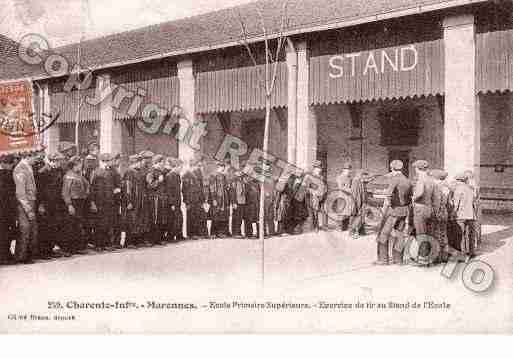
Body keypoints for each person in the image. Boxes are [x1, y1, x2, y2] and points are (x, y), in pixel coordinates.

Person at [376, 160, 413, 265]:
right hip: (404, 211)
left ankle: (383, 259)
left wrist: (383, 210)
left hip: (393, 211)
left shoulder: (394, 179)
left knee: (384, 233)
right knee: (400, 234)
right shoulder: (407, 180)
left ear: (392, 168)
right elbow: (411, 197)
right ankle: (398, 260)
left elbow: (388, 196)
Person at [37, 152, 66, 259]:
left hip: (55, 203)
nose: (60, 163)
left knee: (53, 227)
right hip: (46, 203)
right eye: (58, 161)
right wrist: (41, 205)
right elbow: (39, 191)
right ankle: (43, 251)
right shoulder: (43, 172)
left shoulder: (58, 171)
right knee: (45, 227)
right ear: (53, 160)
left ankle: (50, 249)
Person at [90, 153, 121, 251]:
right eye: (106, 161)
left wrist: (117, 189)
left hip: (110, 201)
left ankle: (107, 243)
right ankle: (99, 244)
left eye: (108, 161)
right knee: (99, 224)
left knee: (108, 223)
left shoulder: (113, 172)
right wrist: (92, 202)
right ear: (102, 162)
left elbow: (118, 184)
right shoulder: (96, 172)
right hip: (99, 202)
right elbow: (92, 188)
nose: (108, 163)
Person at [13, 153, 40, 263]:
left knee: (31, 229)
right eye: (35, 156)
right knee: (25, 229)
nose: (37, 159)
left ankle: (28, 255)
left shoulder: (28, 167)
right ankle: (21, 256)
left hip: (31, 201)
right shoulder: (20, 169)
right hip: (24, 203)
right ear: (28, 156)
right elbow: (20, 193)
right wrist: (28, 209)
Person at [62, 156, 90, 255]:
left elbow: (87, 184)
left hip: (80, 202)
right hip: (73, 202)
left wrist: (86, 193)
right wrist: (69, 204)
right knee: (70, 226)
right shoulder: (68, 176)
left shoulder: (78, 175)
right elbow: (65, 192)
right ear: (74, 165)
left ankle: (77, 247)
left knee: (77, 225)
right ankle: (67, 249)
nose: (80, 166)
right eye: (79, 165)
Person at [121, 154, 144, 248]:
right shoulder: (129, 172)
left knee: (136, 221)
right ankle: (129, 242)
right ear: (134, 162)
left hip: (137, 200)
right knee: (131, 220)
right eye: (139, 162)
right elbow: (128, 188)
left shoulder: (137, 172)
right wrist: (129, 201)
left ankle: (135, 241)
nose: (140, 164)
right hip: (132, 200)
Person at [453, 172, 477, 258]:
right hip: (471, 215)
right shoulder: (471, 189)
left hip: (461, 215)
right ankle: (471, 252)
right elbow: (474, 201)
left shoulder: (458, 189)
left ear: (459, 181)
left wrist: (453, 213)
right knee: (470, 235)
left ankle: (462, 253)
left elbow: (456, 204)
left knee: (460, 234)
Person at [146, 155, 168, 245]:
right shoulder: (151, 172)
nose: (163, 164)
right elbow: (150, 185)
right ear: (157, 162)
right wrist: (158, 181)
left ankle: (159, 238)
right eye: (162, 162)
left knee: (160, 218)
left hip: (161, 198)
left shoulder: (161, 172)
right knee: (154, 219)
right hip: (154, 199)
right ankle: (153, 239)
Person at [182, 158, 207, 239]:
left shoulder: (199, 173)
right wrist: (186, 202)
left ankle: (199, 233)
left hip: (198, 199)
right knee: (191, 217)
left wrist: (202, 199)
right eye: (199, 166)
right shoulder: (186, 174)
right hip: (191, 199)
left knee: (199, 216)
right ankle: (191, 234)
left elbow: (201, 187)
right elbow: (184, 190)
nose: (200, 168)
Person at [430, 169, 450, 263]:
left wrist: (436, 214)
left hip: (438, 213)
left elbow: (437, 203)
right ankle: (444, 255)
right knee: (443, 234)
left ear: (435, 178)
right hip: (445, 212)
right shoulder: (447, 187)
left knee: (436, 234)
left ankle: (437, 257)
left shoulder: (437, 187)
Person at [0, 155, 17, 265]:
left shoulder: (8, 174)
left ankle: (6, 253)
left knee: (8, 232)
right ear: (5, 164)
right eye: (11, 164)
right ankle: (3, 255)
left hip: (8, 208)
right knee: (4, 232)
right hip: (3, 209)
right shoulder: (4, 175)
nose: (12, 167)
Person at [208, 161, 231, 238]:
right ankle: (213, 233)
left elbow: (226, 187)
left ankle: (221, 232)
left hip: (224, 199)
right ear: (218, 167)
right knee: (215, 215)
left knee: (222, 215)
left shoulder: (223, 176)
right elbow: (212, 188)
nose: (223, 169)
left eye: (223, 167)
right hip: (217, 198)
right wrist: (214, 199)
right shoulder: (213, 176)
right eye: (222, 167)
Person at [165, 158, 184, 242]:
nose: (181, 169)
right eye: (180, 167)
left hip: (178, 201)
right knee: (173, 219)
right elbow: (169, 191)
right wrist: (171, 203)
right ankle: (171, 236)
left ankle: (179, 235)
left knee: (179, 218)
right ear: (176, 166)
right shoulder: (170, 176)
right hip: (173, 202)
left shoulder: (177, 175)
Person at [305, 160, 324, 233]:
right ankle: (312, 227)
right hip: (310, 196)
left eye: (320, 168)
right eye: (318, 168)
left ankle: (316, 226)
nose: (319, 170)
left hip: (318, 197)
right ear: (314, 168)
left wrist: (321, 193)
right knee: (311, 212)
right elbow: (306, 187)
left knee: (316, 212)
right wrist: (313, 192)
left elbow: (322, 186)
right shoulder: (309, 176)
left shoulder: (321, 177)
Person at [336, 162, 354, 231]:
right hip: (342, 197)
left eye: (349, 170)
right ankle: (339, 227)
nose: (349, 171)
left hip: (348, 197)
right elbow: (341, 187)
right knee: (341, 212)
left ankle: (345, 226)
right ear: (343, 170)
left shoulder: (349, 178)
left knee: (347, 212)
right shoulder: (340, 177)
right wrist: (351, 190)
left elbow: (351, 185)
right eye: (347, 170)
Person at [349, 169, 367, 238]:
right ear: (359, 174)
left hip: (361, 201)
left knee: (361, 216)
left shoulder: (360, 181)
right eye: (363, 175)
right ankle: (352, 232)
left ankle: (360, 230)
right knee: (354, 216)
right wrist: (355, 203)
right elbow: (355, 193)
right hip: (356, 201)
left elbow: (362, 193)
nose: (364, 176)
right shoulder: (355, 181)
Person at [230, 170, 247, 238]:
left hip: (242, 202)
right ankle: (235, 233)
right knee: (236, 218)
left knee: (240, 219)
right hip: (237, 202)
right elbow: (233, 192)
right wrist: (234, 202)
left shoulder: (242, 181)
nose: (241, 174)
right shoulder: (234, 181)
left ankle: (238, 232)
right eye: (240, 173)